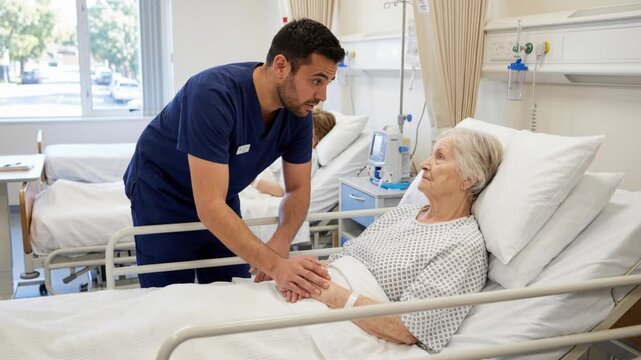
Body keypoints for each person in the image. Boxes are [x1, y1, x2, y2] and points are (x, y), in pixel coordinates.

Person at [123, 18, 345, 298]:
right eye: (316, 80)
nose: (322, 95)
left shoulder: (298, 113)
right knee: (168, 298)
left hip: (221, 194)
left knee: (234, 291)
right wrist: (276, 265)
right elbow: (209, 206)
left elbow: (299, 189)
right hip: (161, 192)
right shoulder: (212, 95)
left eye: (328, 82)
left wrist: (281, 240)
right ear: (281, 66)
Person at [281, 128, 504, 353]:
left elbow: (408, 328)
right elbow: (347, 254)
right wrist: (306, 273)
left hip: (340, 318)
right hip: (315, 294)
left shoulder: (462, 245)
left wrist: (321, 290)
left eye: (440, 157)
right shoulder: (404, 213)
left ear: (469, 179)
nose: (425, 164)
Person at [251, 109, 336, 197]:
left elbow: (283, 191)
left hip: (254, 183)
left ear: (317, 141)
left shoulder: (309, 156)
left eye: (307, 134)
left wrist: (252, 180)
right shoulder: (288, 143)